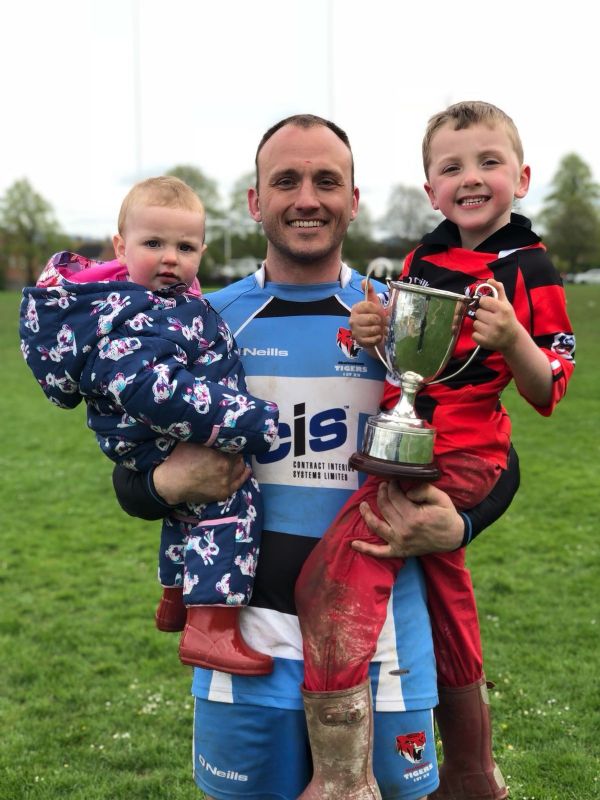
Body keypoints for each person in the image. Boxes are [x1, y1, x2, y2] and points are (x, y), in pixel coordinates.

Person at [112, 115, 522, 800]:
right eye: (287, 181)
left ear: (353, 200)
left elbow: (497, 454)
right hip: (247, 636)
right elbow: (129, 475)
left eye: (327, 181)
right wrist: (162, 482)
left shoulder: (405, 321)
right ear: (254, 202)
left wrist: (463, 526)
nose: (307, 198)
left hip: (386, 637)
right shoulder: (203, 325)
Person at [295, 101, 575, 800]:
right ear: (430, 188)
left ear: (523, 175)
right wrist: (371, 330)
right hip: (411, 435)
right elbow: (401, 360)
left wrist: (514, 340)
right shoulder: (424, 255)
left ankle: (340, 781)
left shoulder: (531, 266)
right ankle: (474, 776)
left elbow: (547, 389)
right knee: (449, 600)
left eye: (488, 162)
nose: (470, 178)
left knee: (330, 576)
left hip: (462, 456)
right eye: (451, 167)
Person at [19, 176, 280, 676]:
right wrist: (249, 420)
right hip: (153, 431)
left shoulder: (161, 305)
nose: (170, 258)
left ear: (202, 249)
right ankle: (212, 628)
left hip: (159, 432)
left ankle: (176, 598)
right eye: (153, 243)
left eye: (184, 246)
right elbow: (158, 392)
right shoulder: (129, 313)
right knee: (231, 502)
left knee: (187, 510)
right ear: (121, 246)